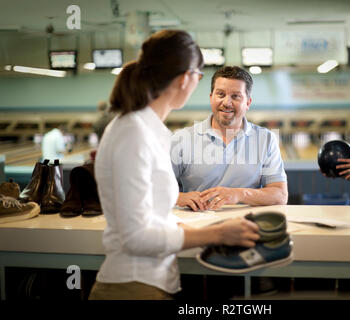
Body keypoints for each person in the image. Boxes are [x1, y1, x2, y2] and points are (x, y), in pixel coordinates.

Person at [88, 30, 260, 300]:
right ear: (185, 78)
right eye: (199, 76)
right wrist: (217, 234)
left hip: (154, 284)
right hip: (130, 287)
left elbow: (157, 217)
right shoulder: (132, 132)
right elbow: (135, 238)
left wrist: (214, 231)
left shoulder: (151, 129)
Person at [171, 66, 288, 211]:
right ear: (211, 97)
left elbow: (280, 195)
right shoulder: (182, 139)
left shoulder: (266, 139)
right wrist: (179, 197)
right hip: (197, 226)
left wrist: (239, 194)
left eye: (235, 96)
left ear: (248, 103)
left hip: (248, 226)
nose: (227, 102)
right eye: (220, 94)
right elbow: (154, 188)